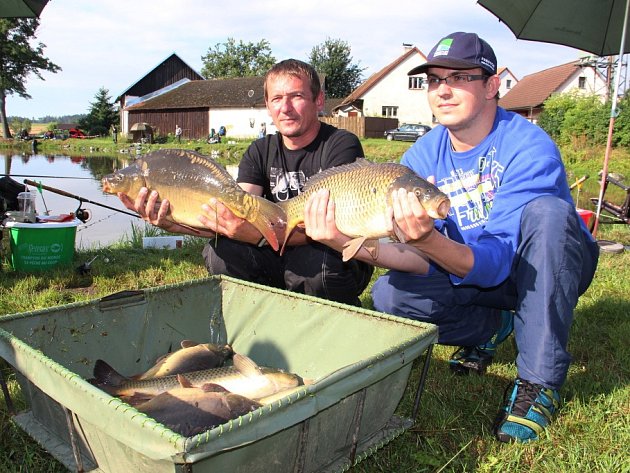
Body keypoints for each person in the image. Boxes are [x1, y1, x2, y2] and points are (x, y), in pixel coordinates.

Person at [302, 32, 599, 443]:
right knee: (391, 295)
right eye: (434, 80)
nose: (443, 90)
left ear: (492, 86)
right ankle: (490, 326)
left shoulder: (529, 146)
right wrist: (342, 242)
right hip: (468, 269)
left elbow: (496, 262)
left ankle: (538, 382)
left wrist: (428, 242)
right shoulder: (421, 155)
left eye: (459, 78)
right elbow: (417, 258)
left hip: (541, 265)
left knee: (549, 215)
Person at [117, 59, 373, 306]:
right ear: (268, 105)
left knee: (314, 264)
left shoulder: (340, 144)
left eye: (296, 96)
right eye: (276, 99)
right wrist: (175, 223)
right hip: (277, 250)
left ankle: (329, 323)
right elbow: (233, 214)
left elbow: (330, 227)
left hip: (334, 252)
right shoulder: (260, 151)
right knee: (221, 253)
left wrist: (258, 237)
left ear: (318, 101)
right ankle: (259, 319)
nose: (286, 108)